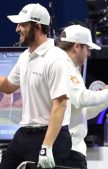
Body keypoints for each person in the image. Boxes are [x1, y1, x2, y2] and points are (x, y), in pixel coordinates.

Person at [0, 3, 72, 169]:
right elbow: (6, 85)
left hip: (51, 138)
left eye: (22, 24)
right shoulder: (25, 56)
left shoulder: (56, 58)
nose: (17, 29)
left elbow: (60, 105)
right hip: (24, 134)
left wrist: (46, 147)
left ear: (37, 26)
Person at [59, 24, 108, 169]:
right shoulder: (65, 66)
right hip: (68, 152)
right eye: (88, 48)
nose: (89, 54)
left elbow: (83, 112)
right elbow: (82, 99)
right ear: (76, 46)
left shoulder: (70, 68)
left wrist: (105, 98)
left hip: (71, 149)